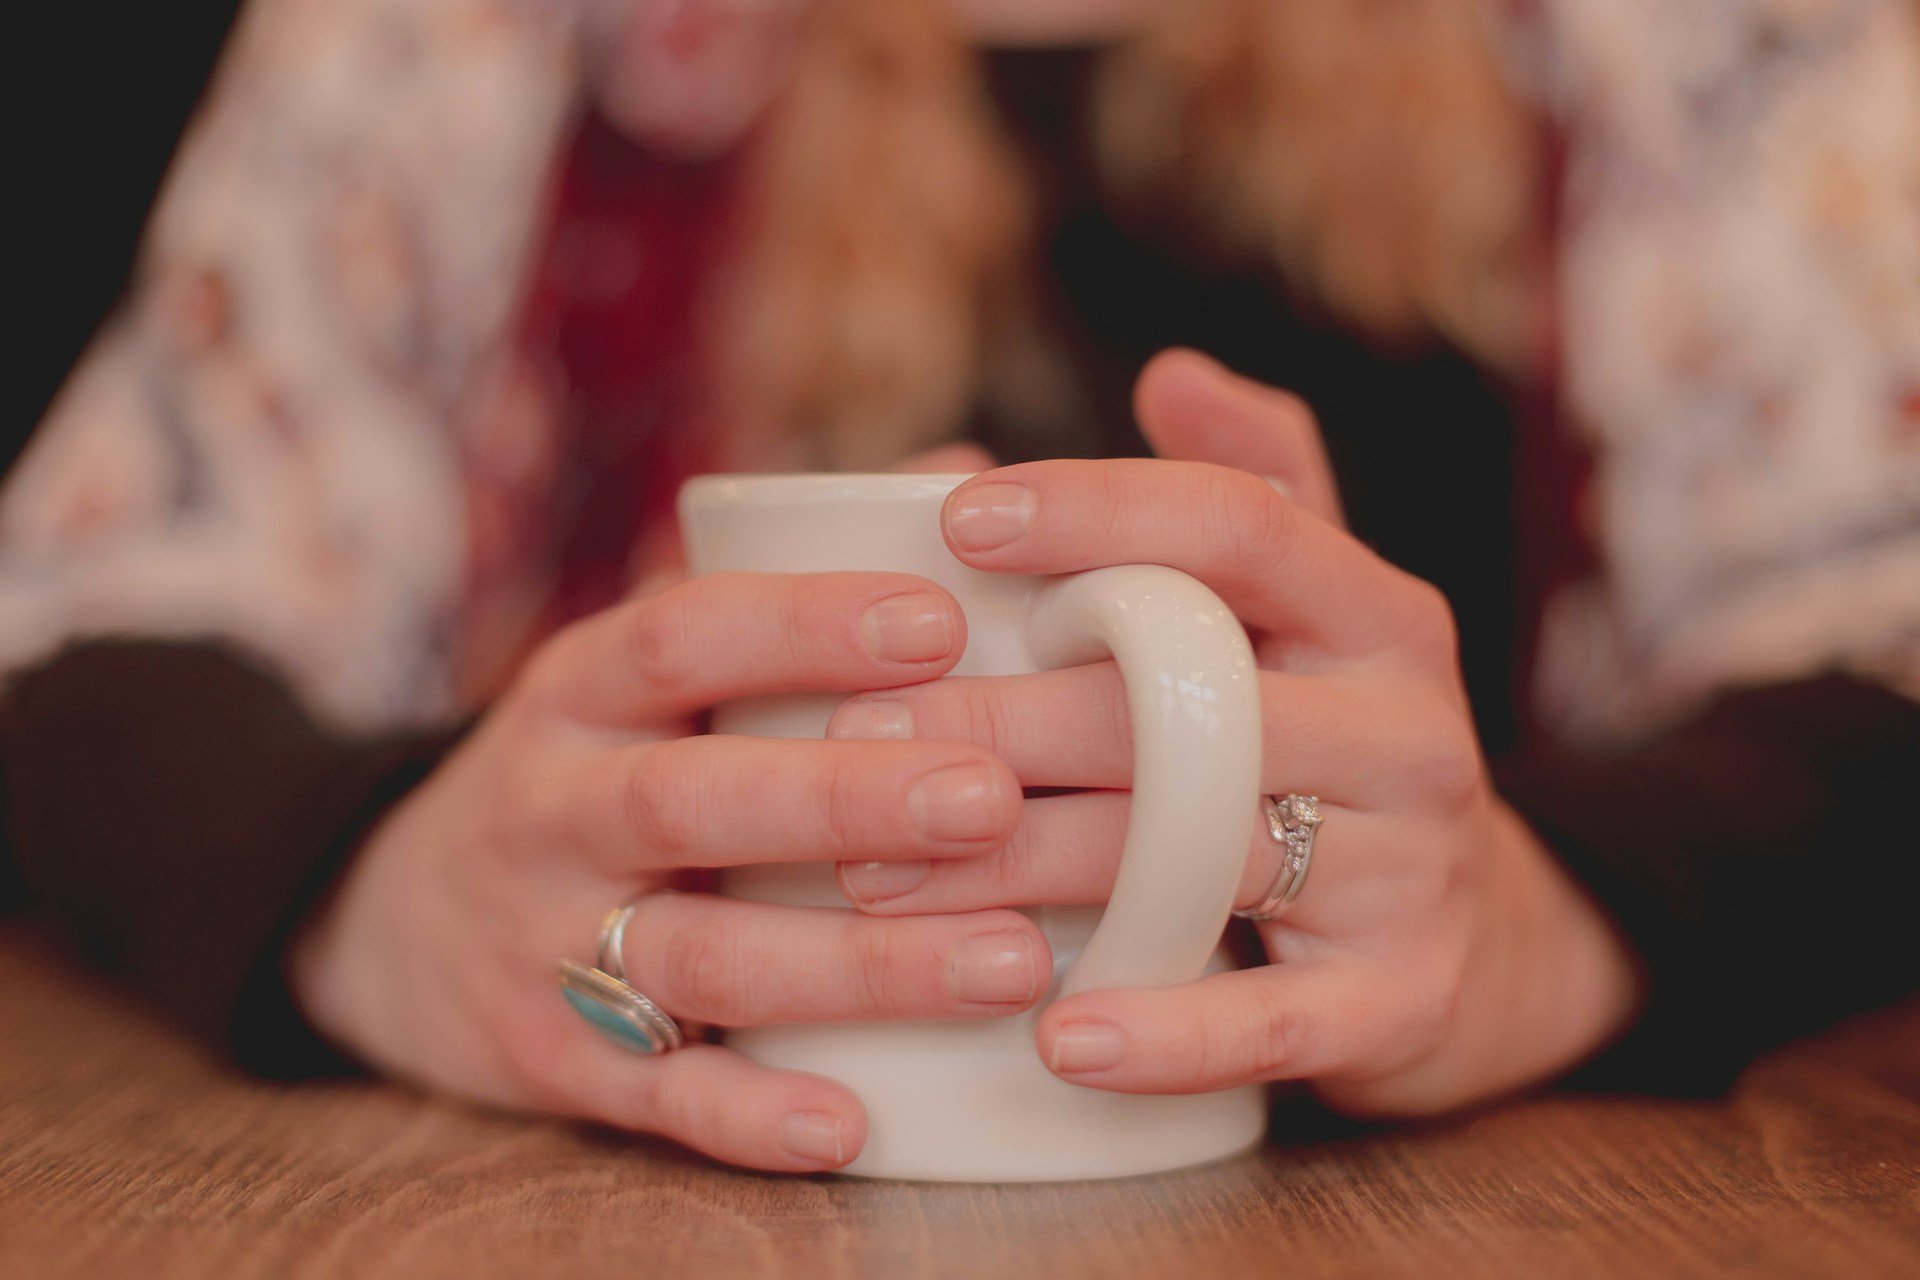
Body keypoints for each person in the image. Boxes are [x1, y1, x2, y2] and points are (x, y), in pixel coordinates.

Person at [3, 0, 1916, 1174]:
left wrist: (1547, 920)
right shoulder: (465, 36)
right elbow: (80, 628)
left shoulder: (1685, 32)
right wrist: (374, 886)